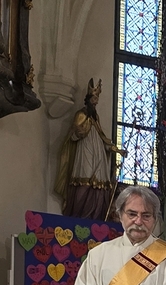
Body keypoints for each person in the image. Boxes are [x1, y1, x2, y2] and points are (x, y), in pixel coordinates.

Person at [53, 78, 126, 221]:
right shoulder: (80, 115)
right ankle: (78, 216)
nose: (96, 101)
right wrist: (79, 132)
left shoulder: (95, 117)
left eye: (97, 98)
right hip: (85, 151)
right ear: (88, 99)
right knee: (84, 182)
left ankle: (95, 218)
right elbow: (73, 135)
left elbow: (102, 137)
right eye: (93, 98)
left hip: (98, 154)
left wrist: (117, 150)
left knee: (99, 185)